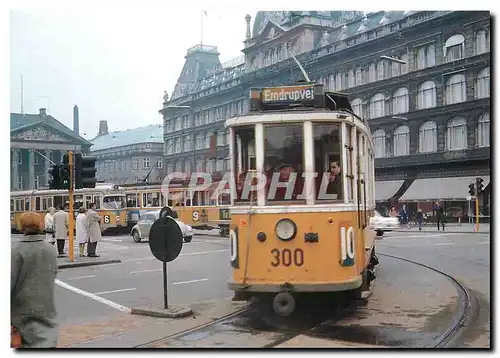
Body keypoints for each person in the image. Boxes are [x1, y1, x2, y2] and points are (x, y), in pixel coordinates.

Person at [11, 212, 59, 348]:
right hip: (47, 312)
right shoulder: (50, 250)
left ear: (21, 227)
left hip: (21, 316)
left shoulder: (16, 251)